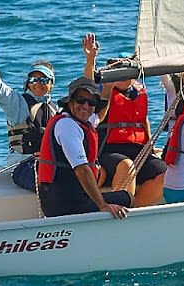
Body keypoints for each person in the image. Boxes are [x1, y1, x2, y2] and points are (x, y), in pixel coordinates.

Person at [85, 35, 167, 206]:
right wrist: (90, 59)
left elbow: (143, 119)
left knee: (165, 173)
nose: (123, 75)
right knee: (127, 166)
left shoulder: (140, 91)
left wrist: (150, 145)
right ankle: (121, 207)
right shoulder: (104, 89)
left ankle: (135, 209)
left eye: (126, 70)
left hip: (137, 148)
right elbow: (88, 82)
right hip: (108, 149)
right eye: (119, 70)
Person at [36, 77, 134, 219]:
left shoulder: (81, 120)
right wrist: (102, 205)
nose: (86, 106)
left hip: (66, 198)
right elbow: (82, 169)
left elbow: (99, 117)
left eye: (92, 102)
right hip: (66, 204)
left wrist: (108, 88)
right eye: (81, 101)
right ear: (70, 101)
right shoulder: (67, 126)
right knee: (127, 198)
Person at [0, 34, 60, 191]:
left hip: (51, 162)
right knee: (49, 182)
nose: (38, 84)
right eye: (33, 80)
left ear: (51, 84)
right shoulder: (16, 104)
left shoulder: (56, 109)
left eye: (43, 80)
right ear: (27, 83)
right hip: (23, 165)